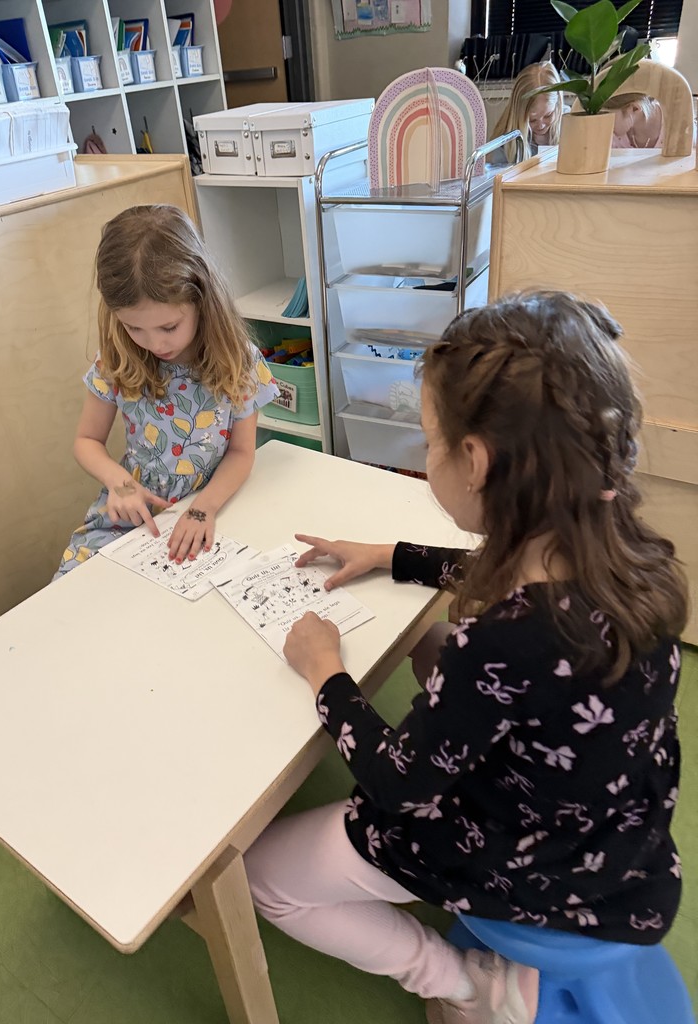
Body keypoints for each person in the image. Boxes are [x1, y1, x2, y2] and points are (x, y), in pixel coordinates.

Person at [245, 291, 687, 1024]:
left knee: (266, 875)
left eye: (430, 441)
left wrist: (326, 671)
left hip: (535, 868)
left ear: (475, 462)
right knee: (436, 648)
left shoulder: (507, 642)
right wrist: (391, 555)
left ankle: (465, 984)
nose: (427, 457)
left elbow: (401, 784)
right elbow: (501, 578)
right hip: (618, 841)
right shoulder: (634, 557)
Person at [55, 205, 279, 576]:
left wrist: (202, 509)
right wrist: (119, 482)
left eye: (169, 327)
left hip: (208, 504)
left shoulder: (237, 361)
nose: (155, 344)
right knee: (75, 586)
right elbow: (86, 441)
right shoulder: (117, 357)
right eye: (134, 328)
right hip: (132, 512)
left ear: (201, 299)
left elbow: (242, 453)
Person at [490, 62, 563, 161]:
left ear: (558, 105)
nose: (541, 126)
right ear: (518, 114)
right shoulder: (504, 143)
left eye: (548, 115)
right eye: (532, 120)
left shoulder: (570, 124)